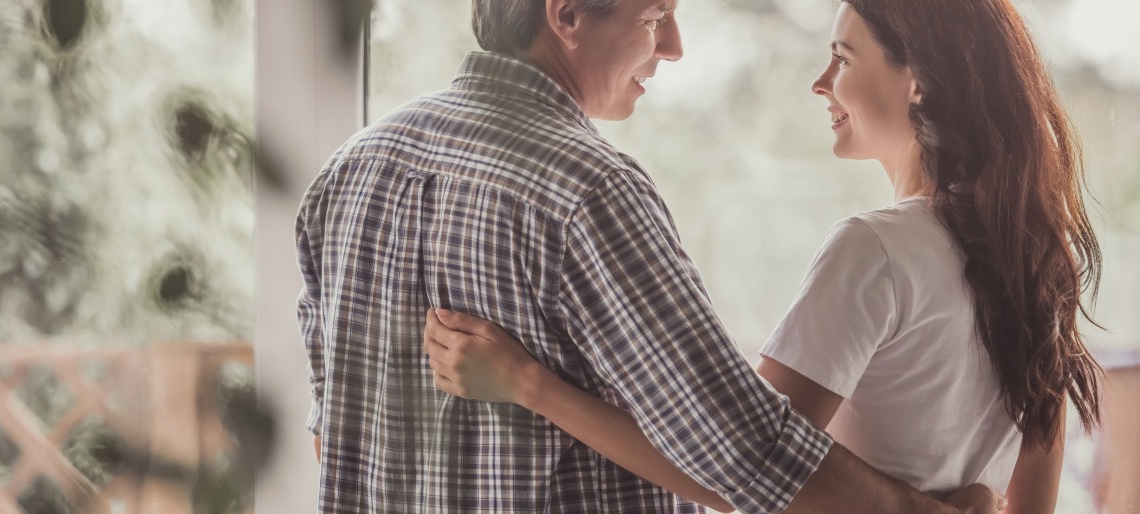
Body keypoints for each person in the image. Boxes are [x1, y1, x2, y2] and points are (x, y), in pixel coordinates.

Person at [298, 0, 1001, 511]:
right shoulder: (587, 191)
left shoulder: (348, 172)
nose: (674, 46)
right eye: (656, 13)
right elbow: (744, 458)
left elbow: (336, 440)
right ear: (567, 14)